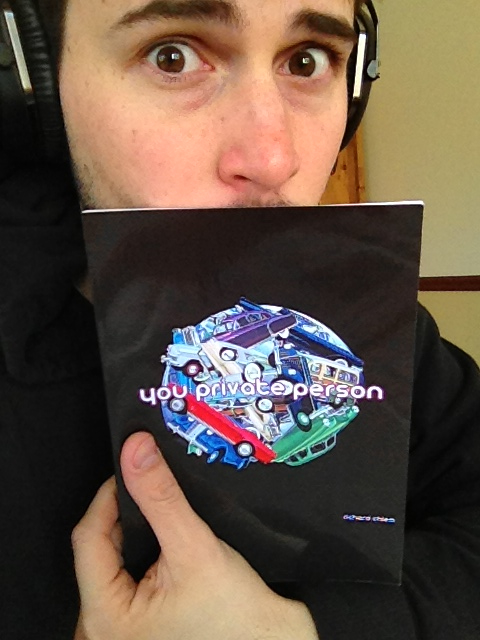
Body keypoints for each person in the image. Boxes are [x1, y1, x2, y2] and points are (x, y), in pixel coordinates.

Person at [1, 0, 479, 639]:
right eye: (173, 56)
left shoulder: (354, 323)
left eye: (307, 61)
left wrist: (309, 630)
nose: (274, 158)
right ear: (34, 87)